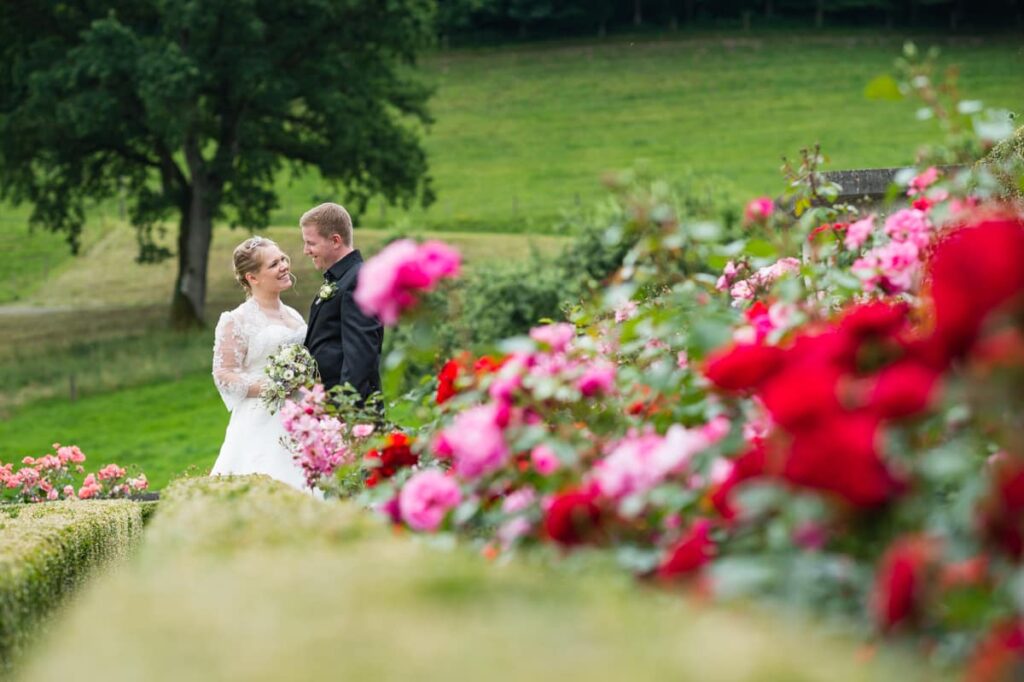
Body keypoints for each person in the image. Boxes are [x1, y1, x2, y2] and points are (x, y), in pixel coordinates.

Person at [210, 236, 315, 494]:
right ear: (252, 278)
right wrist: (274, 387)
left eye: (282, 259)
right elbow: (223, 374)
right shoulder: (236, 320)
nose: (283, 266)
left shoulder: (294, 315)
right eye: (273, 264)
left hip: (299, 415)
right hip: (260, 419)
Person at [300, 202, 383, 402]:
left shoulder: (357, 280)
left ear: (335, 240)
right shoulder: (341, 278)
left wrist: (343, 412)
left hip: (346, 412)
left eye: (311, 243)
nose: (306, 250)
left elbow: (360, 358)